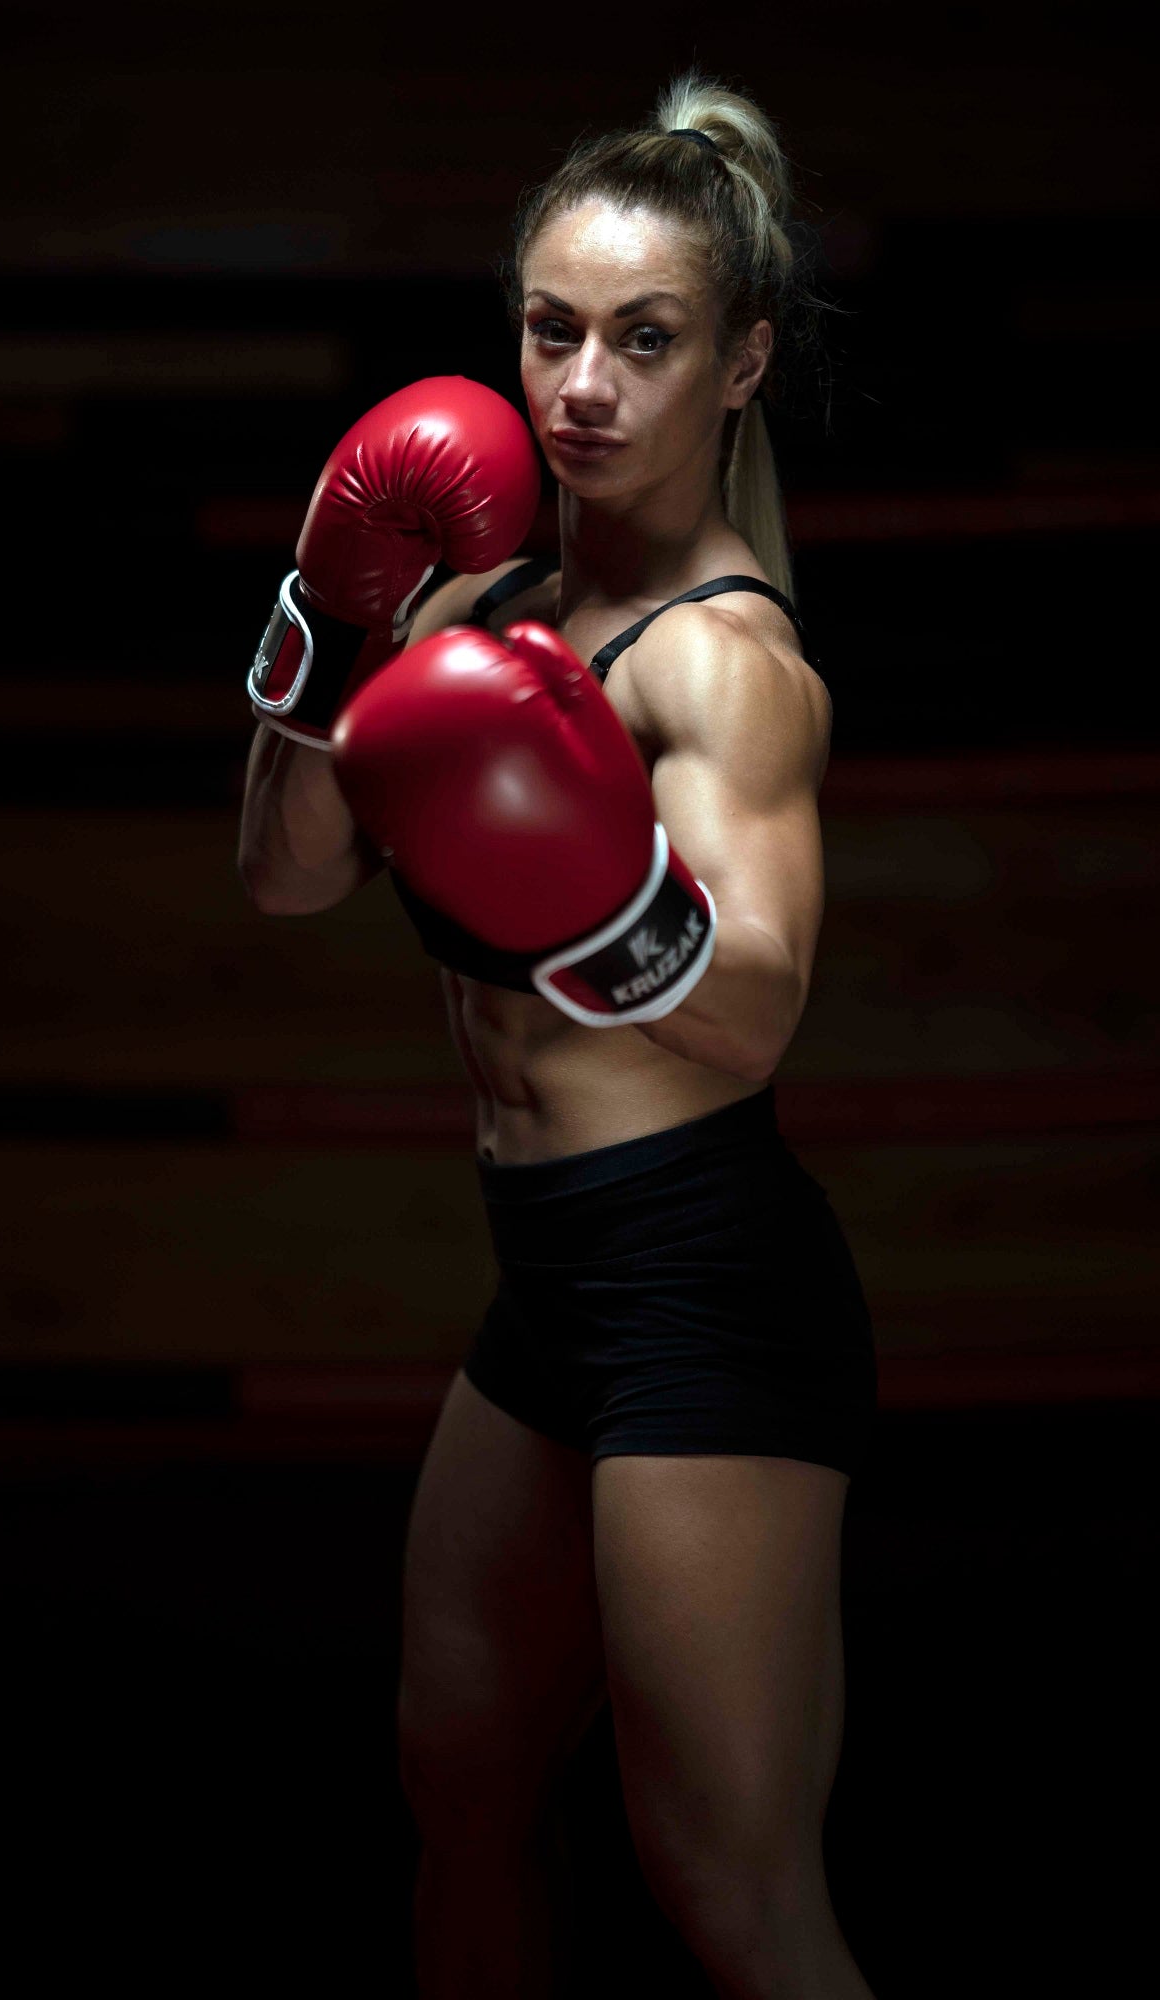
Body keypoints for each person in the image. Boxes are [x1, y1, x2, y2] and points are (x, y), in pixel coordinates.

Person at [238, 68, 878, 2000]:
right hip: (548, 1286)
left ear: (742, 361)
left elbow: (754, 1012)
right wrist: (326, 616)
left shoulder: (725, 663)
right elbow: (283, 877)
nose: (583, 384)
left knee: (726, 1885)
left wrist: (596, 890)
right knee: (461, 1785)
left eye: (646, 338)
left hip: (703, 1279)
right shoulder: (466, 591)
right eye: (550, 330)